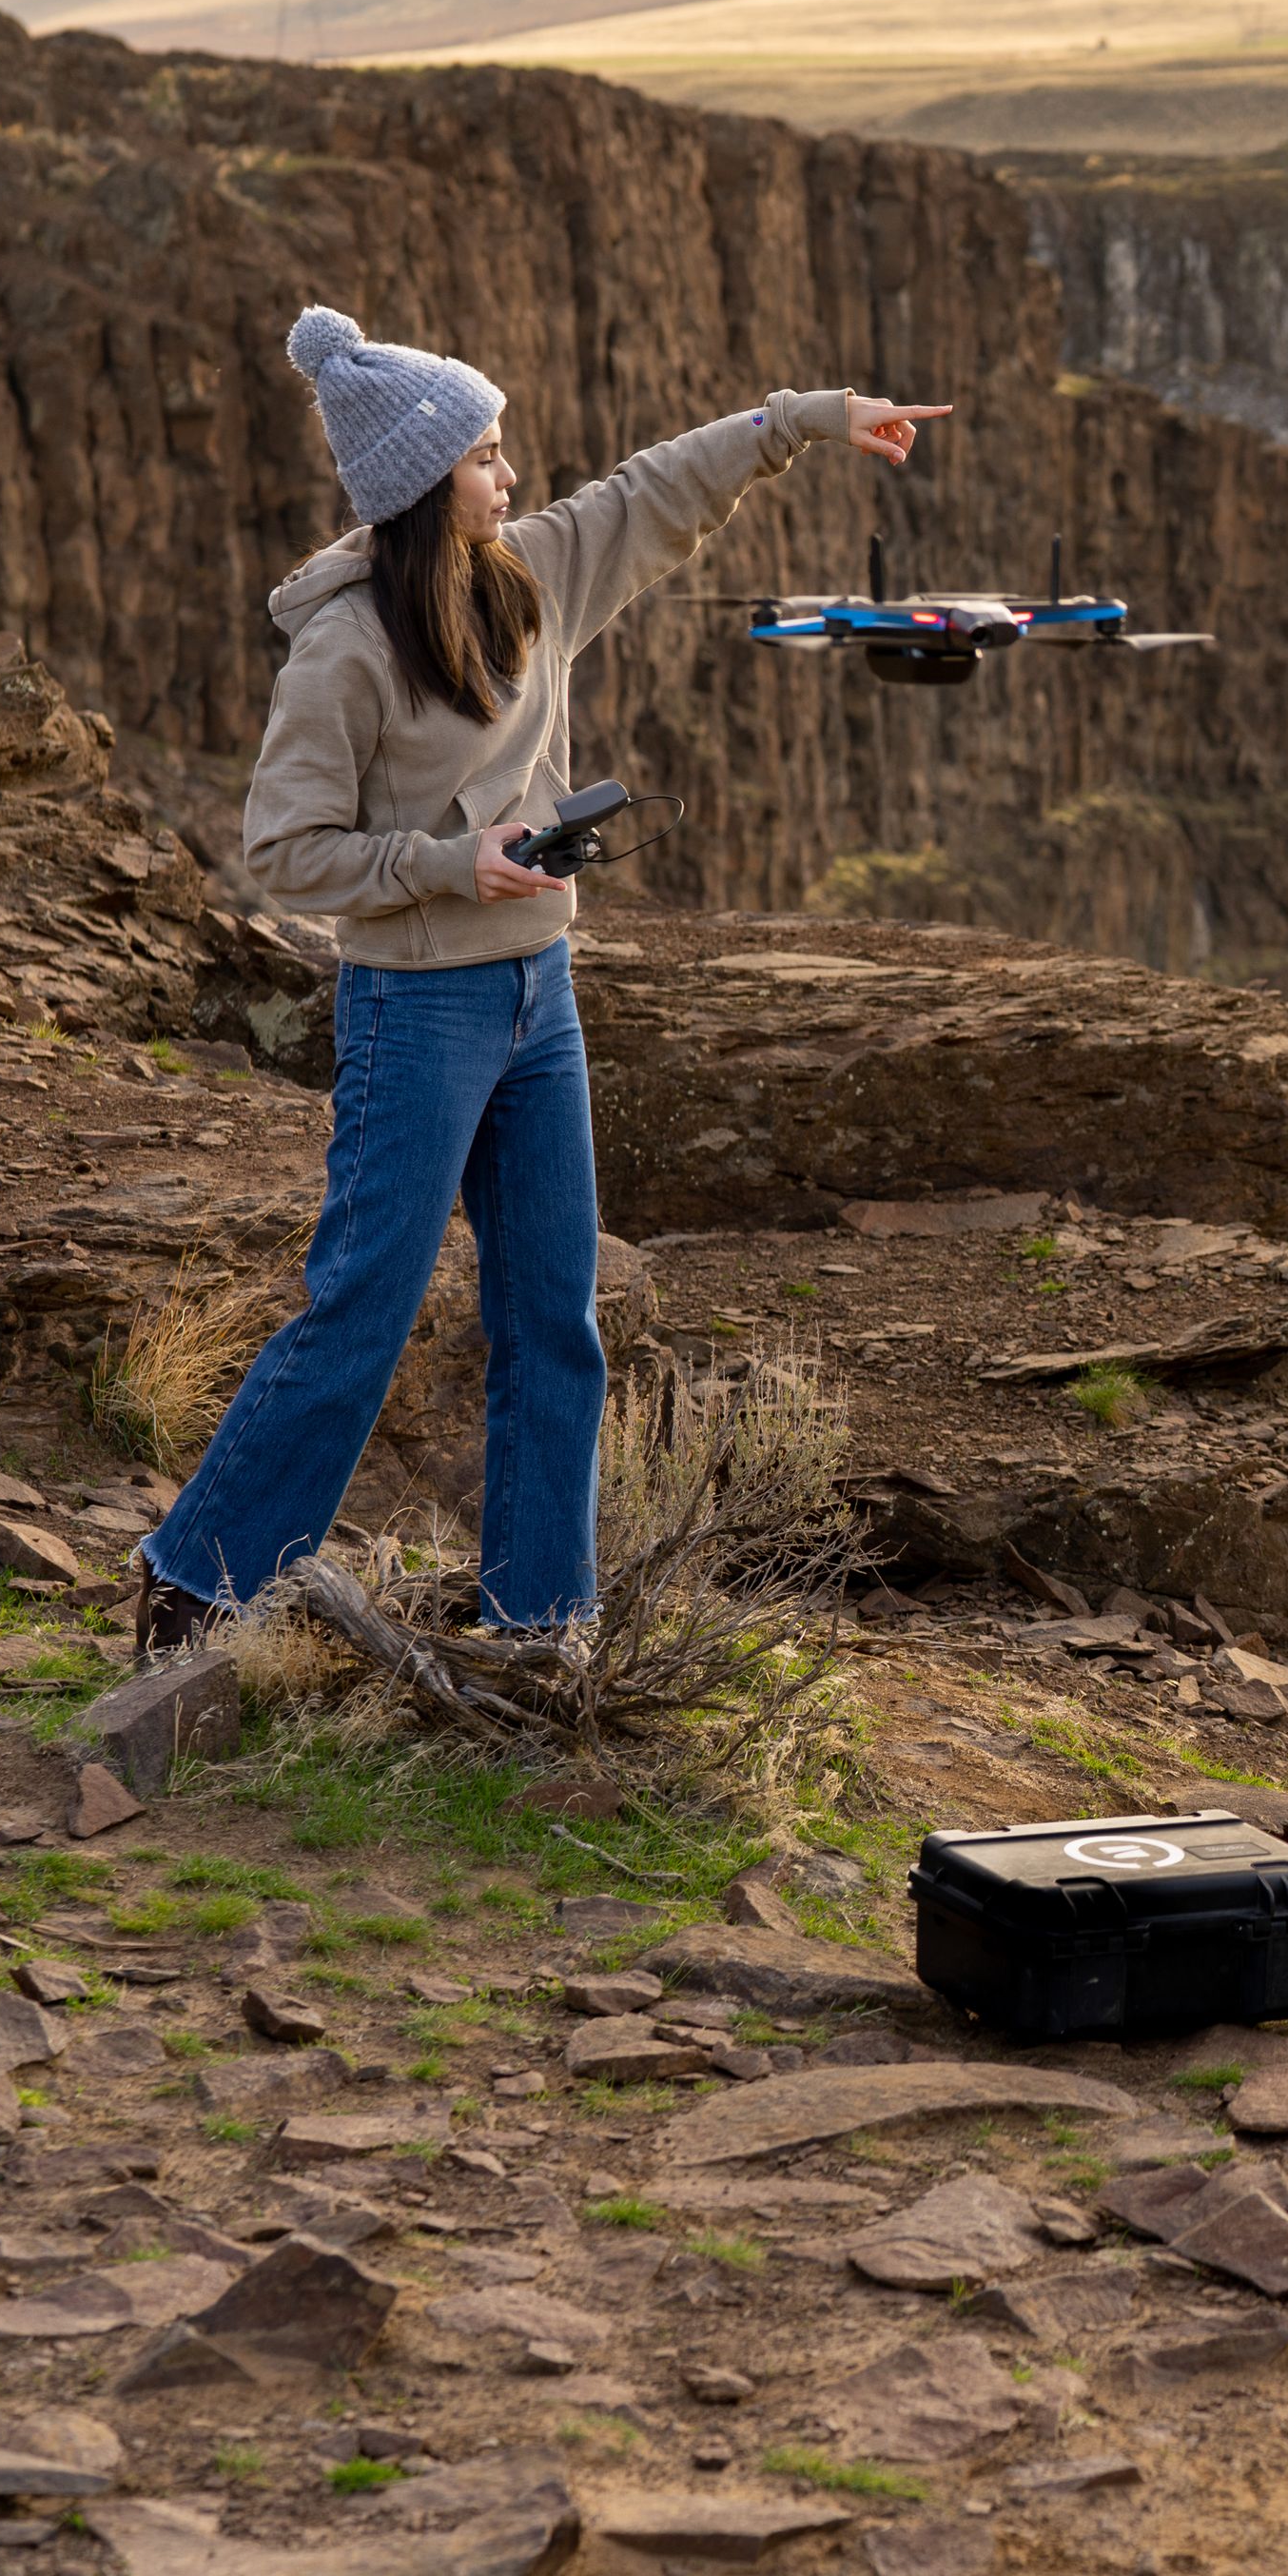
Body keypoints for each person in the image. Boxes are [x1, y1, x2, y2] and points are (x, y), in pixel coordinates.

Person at [135, 305, 949, 1655]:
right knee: (364, 1311)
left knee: (553, 1320)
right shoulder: (345, 652)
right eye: (488, 459)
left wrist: (807, 419)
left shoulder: (531, 573)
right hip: (418, 1007)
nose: (511, 478)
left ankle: (539, 1625)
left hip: (539, 1002)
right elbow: (284, 851)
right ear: (421, 484)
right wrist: (458, 865)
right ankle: (197, 1583)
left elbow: (656, 491)